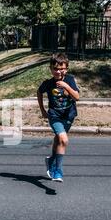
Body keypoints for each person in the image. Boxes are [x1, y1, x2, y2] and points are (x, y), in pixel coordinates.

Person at [37, 53, 80, 182]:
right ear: (50, 69)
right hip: (54, 116)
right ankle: (58, 170)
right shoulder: (48, 83)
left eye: (61, 69)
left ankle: (51, 161)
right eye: (55, 68)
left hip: (68, 116)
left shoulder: (70, 80)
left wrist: (66, 86)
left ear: (66, 68)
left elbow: (77, 97)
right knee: (64, 140)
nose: (58, 71)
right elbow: (39, 92)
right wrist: (43, 110)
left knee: (58, 140)